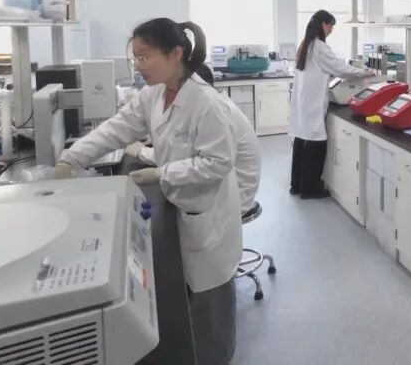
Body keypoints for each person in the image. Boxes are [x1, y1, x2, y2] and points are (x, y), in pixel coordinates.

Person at [54, 18, 241, 365]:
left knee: (210, 297)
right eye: (135, 58)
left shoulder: (206, 102)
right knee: (189, 295)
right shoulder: (153, 95)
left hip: (206, 211)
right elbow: (116, 129)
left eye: (144, 57)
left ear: (175, 53)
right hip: (181, 203)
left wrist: (163, 171)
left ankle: (218, 356)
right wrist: (72, 158)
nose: (138, 66)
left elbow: (218, 163)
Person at [127, 65, 261, 214]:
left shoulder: (216, 112)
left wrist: (141, 152)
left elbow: (182, 158)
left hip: (231, 200)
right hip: (227, 186)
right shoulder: (209, 103)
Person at [289, 10, 373, 198]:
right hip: (312, 103)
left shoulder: (307, 44)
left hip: (304, 102)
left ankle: (297, 185)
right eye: (330, 26)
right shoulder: (320, 47)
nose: (331, 30)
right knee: (316, 145)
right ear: (323, 24)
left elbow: (328, 69)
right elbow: (340, 68)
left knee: (301, 141)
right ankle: (310, 189)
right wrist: (364, 73)